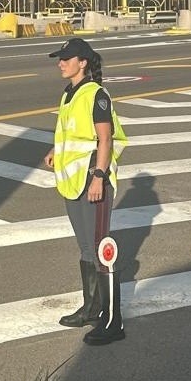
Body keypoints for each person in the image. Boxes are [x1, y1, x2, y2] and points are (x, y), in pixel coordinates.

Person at [44, 37, 127, 345]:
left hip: (94, 181)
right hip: (72, 182)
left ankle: (112, 321)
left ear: (82, 62)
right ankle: (91, 310)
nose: (60, 62)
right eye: (60, 58)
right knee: (85, 249)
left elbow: (105, 140)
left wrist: (99, 176)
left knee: (101, 250)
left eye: (66, 58)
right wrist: (55, 150)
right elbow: (70, 132)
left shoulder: (97, 94)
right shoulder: (68, 94)